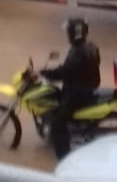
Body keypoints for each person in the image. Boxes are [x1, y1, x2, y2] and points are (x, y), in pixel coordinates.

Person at [40, 17, 101, 160]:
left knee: (57, 124)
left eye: (68, 32)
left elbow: (65, 72)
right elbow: (69, 70)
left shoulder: (78, 52)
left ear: (74, 33)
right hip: (84, 87)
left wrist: (45, 73)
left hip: (78, 93)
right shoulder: (90, 46)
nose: (67, 35)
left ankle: (64, 158)